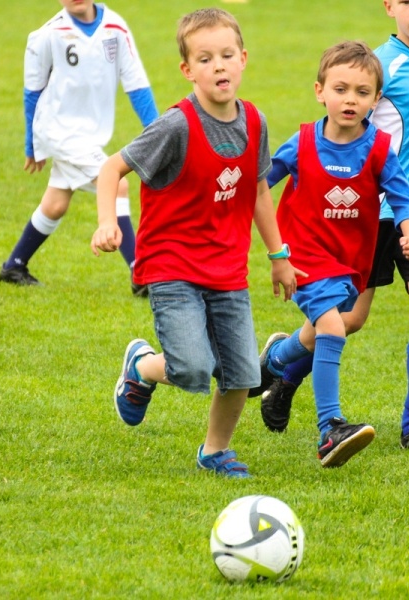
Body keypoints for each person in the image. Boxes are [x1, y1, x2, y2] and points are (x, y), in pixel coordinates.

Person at [258, 0, 409, 453]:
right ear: (389, 6)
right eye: (406, 1)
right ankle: (285, 374)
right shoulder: (377, 63)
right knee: (348, 320)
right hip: (368, 212)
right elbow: (340, 135)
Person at [90, 8, 301, 478]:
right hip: (172, 267)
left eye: (227, 55)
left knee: (243, 374)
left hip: (228, 270)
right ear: (188, 70)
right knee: (191, 368)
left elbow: (259, 191)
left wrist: (278, 256)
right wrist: (107, 223)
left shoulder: (255, 122)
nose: (218, 66)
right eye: (205, 59)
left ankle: (215, 452)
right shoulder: (177, 126)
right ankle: (142, 366)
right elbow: (112, 168)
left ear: (243, 58)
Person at [254, 41, 409, 468]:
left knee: (321, 331)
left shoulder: (379, 148)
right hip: (302, 255)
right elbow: (260, 183)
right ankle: (330, 427)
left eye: (362, 92)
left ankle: (273, 360)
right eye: (341, 89)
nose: (350, 100)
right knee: (332, 327)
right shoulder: (302, 142)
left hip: (350, 263)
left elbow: (404, 199)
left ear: (376, 100)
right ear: (320, 91)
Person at [0, 0, 159, 294]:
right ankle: (140, 273)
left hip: (87, 136)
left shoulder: (116, 28)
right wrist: (31, 143)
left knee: (56, 204)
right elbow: (32, 91)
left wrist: (158, 131)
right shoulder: (48, 35)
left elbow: (137, 84)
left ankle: (14, 266)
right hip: (58, 131)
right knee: (117, 183)